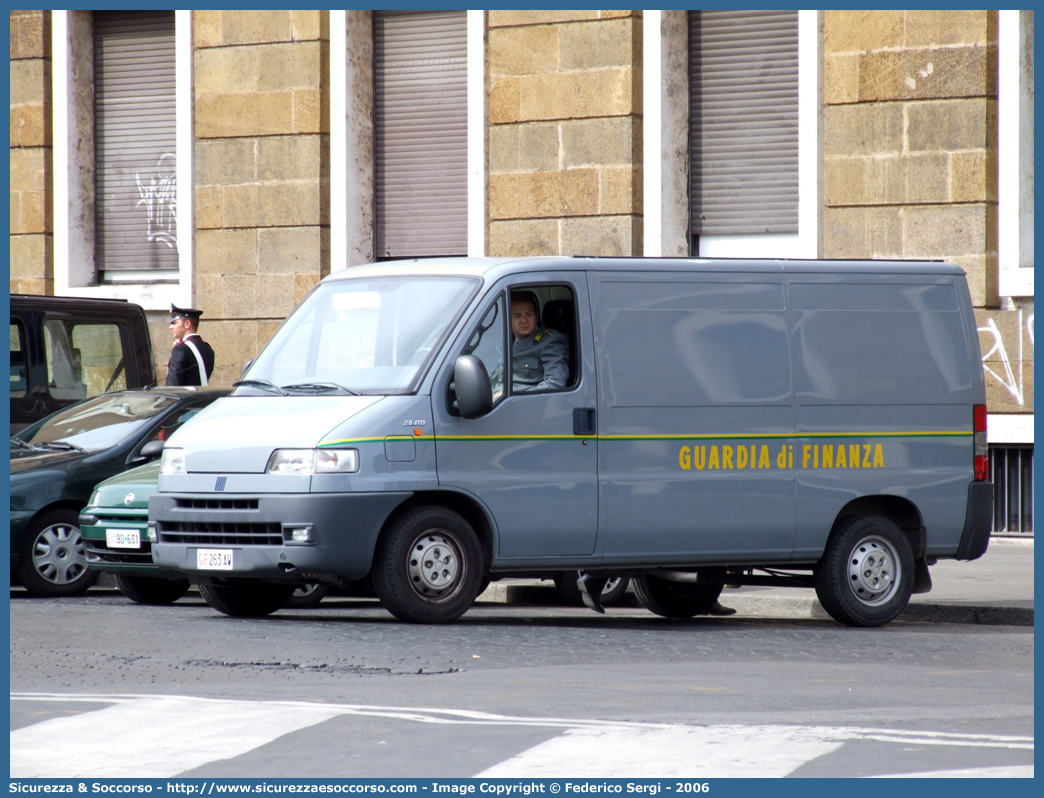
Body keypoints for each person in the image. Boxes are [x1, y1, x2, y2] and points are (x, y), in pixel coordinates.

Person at [510, 291, 568, 392]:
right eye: (517, 316)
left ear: (536, 316)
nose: (524, 320)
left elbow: (555, 382)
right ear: (508, 319)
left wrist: (515, 399)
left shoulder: (551, 340)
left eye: (529, 314)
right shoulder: (502, 341)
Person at [166, 304, 215, 386]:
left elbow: (173, 385)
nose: (170, 327)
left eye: (174, 323)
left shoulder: (181, 349)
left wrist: (179, 349)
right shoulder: (207, 348)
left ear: (187, 324)